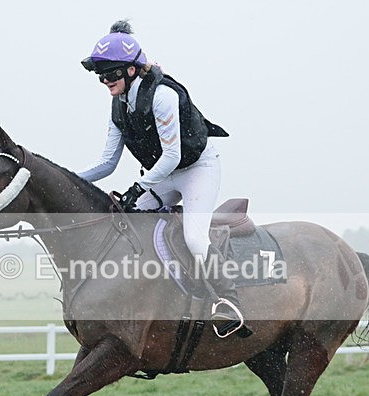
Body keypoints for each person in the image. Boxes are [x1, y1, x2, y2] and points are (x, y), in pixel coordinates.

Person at [77, 20, 247, 337]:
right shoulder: (119, 106)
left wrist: (139, 186)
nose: (105, 81)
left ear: (131, 70)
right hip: (164, 176)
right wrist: (69, 178)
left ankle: (228, 301)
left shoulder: (162, 95)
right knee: (127, 226)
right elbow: (107, 163)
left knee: (195, 239)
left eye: (111, 73)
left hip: (197, 170)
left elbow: (171, 155)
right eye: (101, 75)